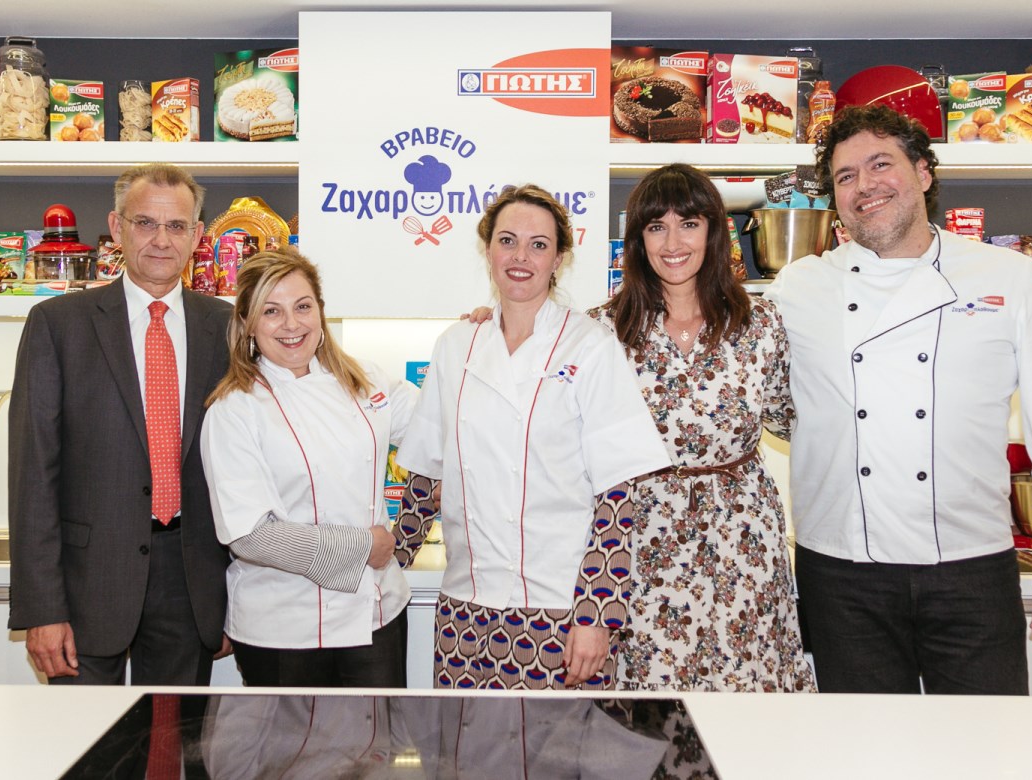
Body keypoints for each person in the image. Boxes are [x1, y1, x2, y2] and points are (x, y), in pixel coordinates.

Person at [766, 104, 1032, 694]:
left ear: (923, 172)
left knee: (985, 739)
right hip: (840, 572)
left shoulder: (1010, 277)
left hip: (972, 566)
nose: (864, 186)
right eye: (845, 176)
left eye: (881, 164)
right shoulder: (798, 287)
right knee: (864, 742)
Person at [392, 184, 671, 690]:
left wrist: (597, 615)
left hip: (561, 612)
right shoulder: (455, 345)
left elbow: (617, 496)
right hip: (465, 611)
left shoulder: (590, 345)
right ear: (488, 250)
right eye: (508, 241)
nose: (520, 257)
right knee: (464, 740)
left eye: (538, 245)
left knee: (564, 742)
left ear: (558, 259)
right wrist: (387, 568)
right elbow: (427, 479)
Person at [592, 163, 814, 692]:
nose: (673, 243)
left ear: (715, 231)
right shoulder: (600, 330)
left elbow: (795, 420)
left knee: (749, 685)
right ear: (637, 240)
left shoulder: (761, 323)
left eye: (689, 224)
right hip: (642, 537)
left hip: (744, 538)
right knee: (655, 694)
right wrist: (491, 325)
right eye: (657, 227)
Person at [8, 163, 232, 685]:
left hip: (191, 582)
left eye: (176, 226)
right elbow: (33, 475)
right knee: (85, 736)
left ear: (197, 235)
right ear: (116, 227)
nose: (161, 240)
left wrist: (234, 598)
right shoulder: (58, 325)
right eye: (145, 223)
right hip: (86, 582)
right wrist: (42, 608)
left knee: (176, 734)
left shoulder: (226, 327)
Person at [200, 248, 415, 688]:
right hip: (282, 629)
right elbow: (249, 534)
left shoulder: (367, 380)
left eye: (303, 306)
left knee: (377, 735)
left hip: (376, 614)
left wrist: (483, 338)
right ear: (248, 324)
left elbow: (449, 425)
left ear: (320, 311)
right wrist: (362, 548)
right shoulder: (234, 410)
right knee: (292, 738)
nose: (291, 324)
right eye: (271, 311)